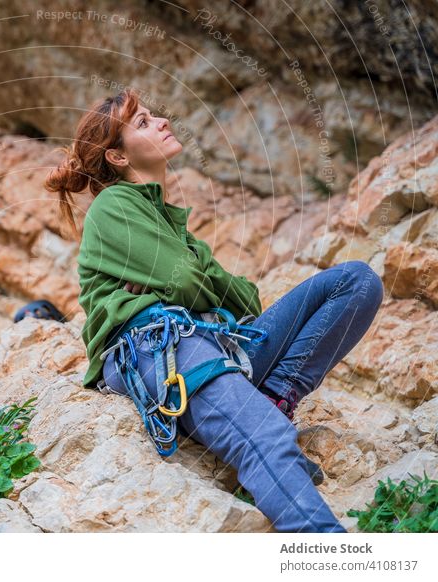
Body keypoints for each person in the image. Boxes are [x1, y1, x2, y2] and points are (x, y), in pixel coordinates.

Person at [44, 88, 384, 533]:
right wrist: (193, 281)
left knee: (357, 281)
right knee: (266, 438)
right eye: (142, 123)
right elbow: (189, 282)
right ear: (118, 158)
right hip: (157, 345)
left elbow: (247, 299)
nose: (161, 122)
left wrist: (187, 276)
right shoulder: (113, 207)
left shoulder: (172, 226)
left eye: (153, 115)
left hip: (217, 343)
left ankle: (273, 395)